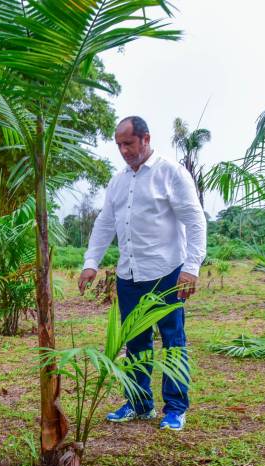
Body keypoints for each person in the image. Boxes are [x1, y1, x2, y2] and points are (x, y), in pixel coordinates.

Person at [78, 116, 206, 431]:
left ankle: (176, 408)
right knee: (135, 342)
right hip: (129, 276)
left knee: (173, 341)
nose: (123, 150)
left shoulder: (171, 173)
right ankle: (139, 403)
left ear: (145, 138)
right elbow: (104, 224)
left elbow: (195, 219)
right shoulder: (118, 181)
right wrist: (90, 262)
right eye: (119, 145)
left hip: (167, 273)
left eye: (128, 143)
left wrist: (191, 268)